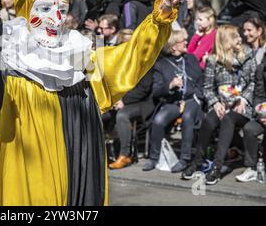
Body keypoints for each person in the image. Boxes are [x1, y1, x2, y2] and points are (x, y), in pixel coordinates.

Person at [0, 0, 188, 206]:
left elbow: (131, 58)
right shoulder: (6, 58)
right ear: (25, 8)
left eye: (61, 9)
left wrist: (163, 12)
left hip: (71, 187)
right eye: (44, 8)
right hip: (22, 186)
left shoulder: (77, 56)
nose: (55, 19)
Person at [182, 25, 257, 185]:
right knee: (209, 120)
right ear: (226, 40)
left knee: (229, 118)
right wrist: (215, 103)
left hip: (241, 107)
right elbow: (207, 88)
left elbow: (252, 82)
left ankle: (217, 166)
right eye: (236, 36)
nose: (240, 38)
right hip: (222, 103)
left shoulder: (248, 55)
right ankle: (198, 161)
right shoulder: (213, 60)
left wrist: (243, 99)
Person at [143, 30, 204, 173]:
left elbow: (201, 80)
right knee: (158, 120)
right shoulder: (161, 64)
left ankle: (184, 159)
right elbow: (156, 91)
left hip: (191, 99)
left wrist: (198, 96)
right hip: (174, 101)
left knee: (188, 117)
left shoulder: (191, 59)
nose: (186, 43)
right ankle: (154, 158)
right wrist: (170, 85)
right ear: (173, 46)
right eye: (183, 41)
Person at [109, 30, 155, 169]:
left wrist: (123, 100)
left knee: (123, 115)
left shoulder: (144, 61)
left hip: (141, 102)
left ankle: (125, 155)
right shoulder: (117, 60)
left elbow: (144, 88)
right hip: (118, 99)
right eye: (124, 43)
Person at [235, 34, 266, 186]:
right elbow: (258, 94)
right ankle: (252, 167)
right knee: (249, 128)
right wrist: (260, 113)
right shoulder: (264, 67)